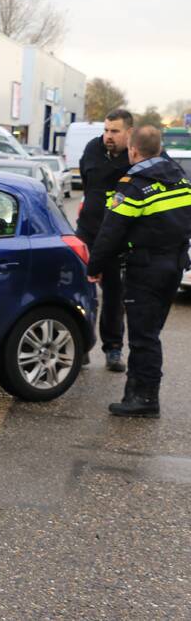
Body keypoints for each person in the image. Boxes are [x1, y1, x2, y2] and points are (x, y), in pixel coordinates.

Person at [86, 126, 191, 417]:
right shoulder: (180, 178)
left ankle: (143, 398)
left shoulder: (134, 184)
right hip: (173, 267)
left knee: (144, 337)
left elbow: (111, 231)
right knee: (151, 332)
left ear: (133, 150)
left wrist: (94, 267)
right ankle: (140, 393)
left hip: (146, 269)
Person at [77, 109, 134, 372]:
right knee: (83, 293)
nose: (108, 136)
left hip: (118, 239)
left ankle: (113, 349)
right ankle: (81, 347)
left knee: (114, 295)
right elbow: (87, 182)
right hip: (88, 233)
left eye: (115, 131)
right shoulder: (92, 149)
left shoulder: (136, 156)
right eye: (106, 130)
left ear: (129, 133)